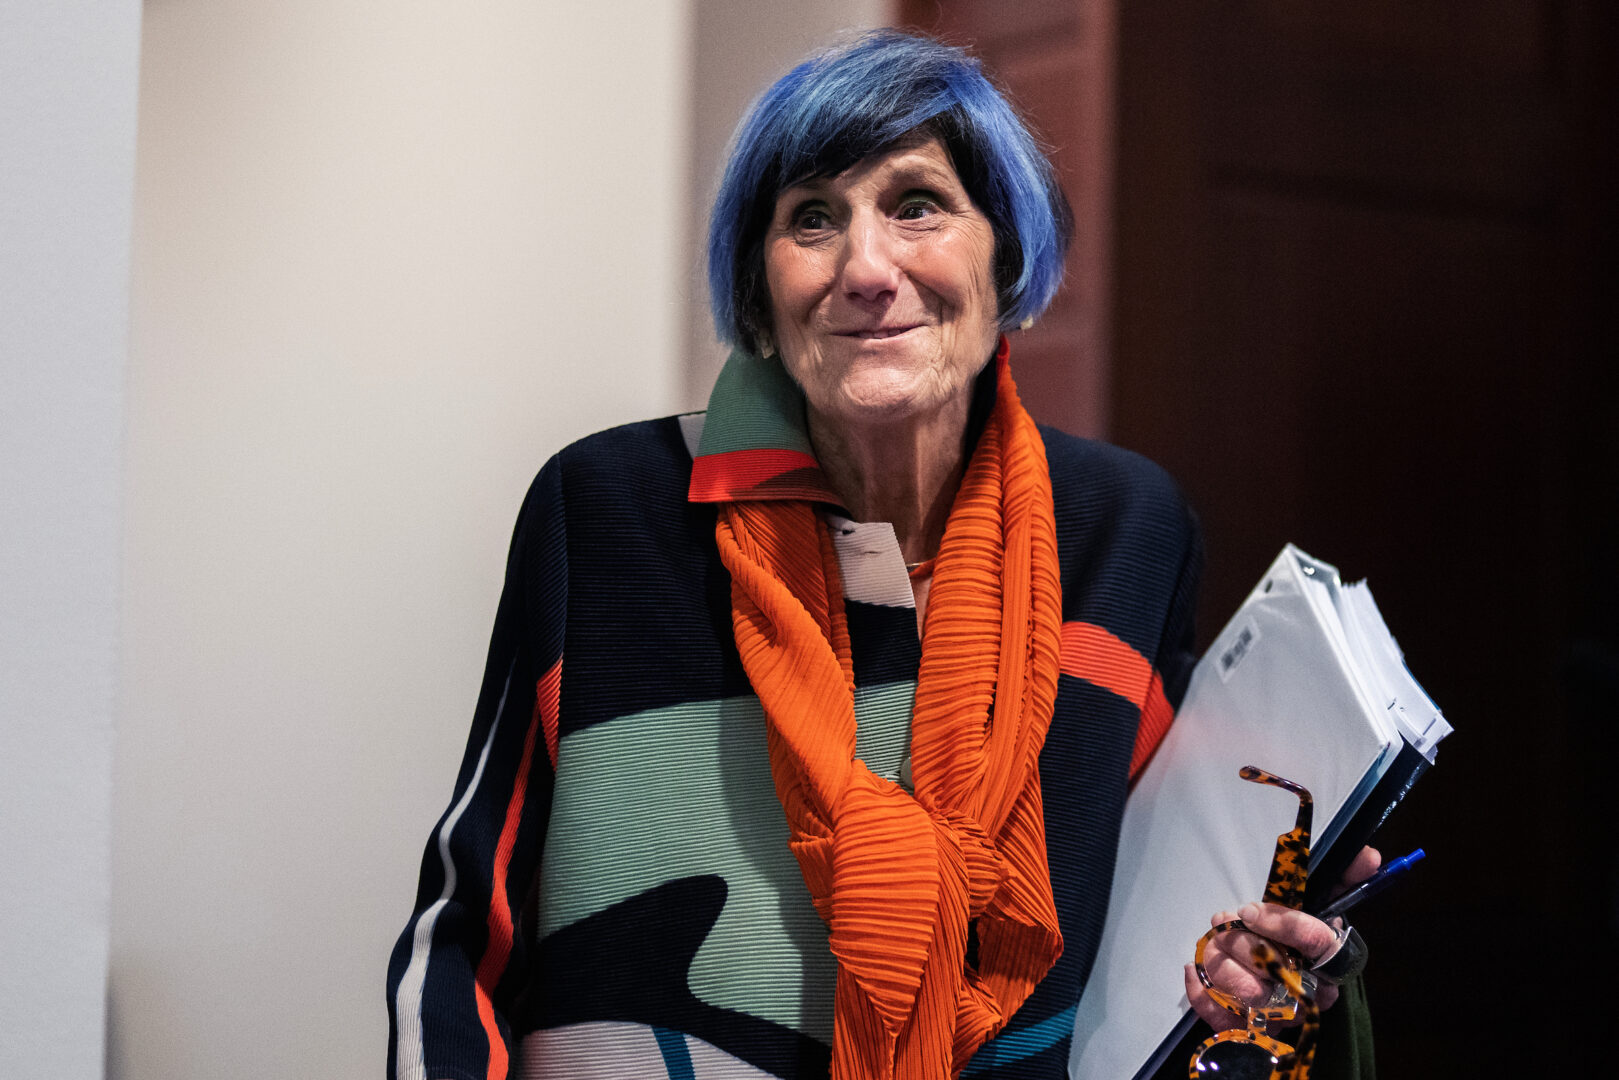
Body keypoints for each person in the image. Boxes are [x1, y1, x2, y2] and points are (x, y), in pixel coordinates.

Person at [386, 30, 1373, 1080]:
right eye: (810, 218)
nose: (864, 268)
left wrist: (1250, 972)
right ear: (759, 294)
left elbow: (1156, 927)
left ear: (1005, 257)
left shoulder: (1126, 533)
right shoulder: (606, 511)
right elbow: (462, 934)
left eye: (916, 205)